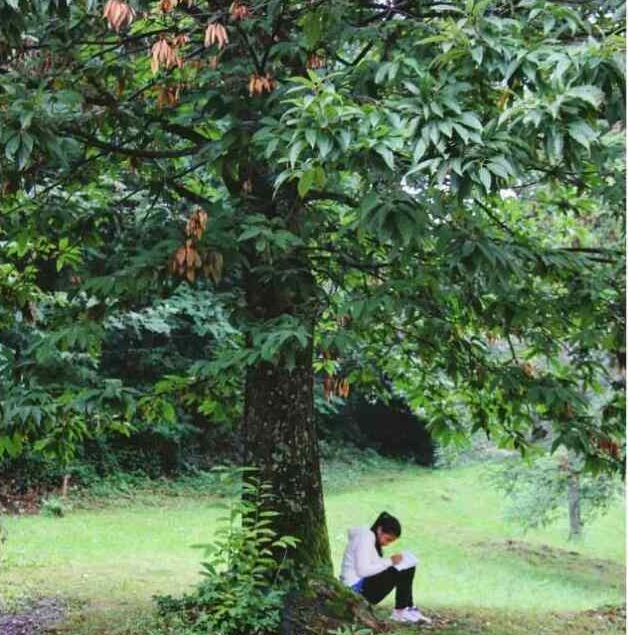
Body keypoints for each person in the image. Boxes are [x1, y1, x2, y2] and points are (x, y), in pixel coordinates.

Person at [339, 511, 431, 624]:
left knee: (406, 565)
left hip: (361, 586)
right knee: (405, 568)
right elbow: (363, 571)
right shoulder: (365, 538)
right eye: (388, 539)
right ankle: (402, 611)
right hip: (357, 591)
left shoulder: (368, 537)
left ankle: (406, 608)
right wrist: (390, 561)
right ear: (379, 529)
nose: (387, 544)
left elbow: (373, 565)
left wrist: (392, 562)